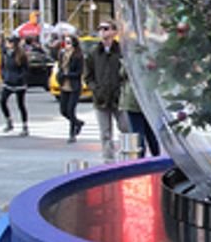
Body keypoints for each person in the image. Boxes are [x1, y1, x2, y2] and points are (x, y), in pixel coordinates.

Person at [85, 21, 128, 162]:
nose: (102, 31)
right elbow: (88, 75)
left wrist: (122, 88)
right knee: (105, 133)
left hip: (119, 98)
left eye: (106, 28)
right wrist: (95, 89)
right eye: (100, 29)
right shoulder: (94, 53)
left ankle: (127, 156)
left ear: (114, 32)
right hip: (101, 98)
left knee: (125, 128)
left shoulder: (121, 51)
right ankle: (108, 159)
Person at [119, 73, 160, 158]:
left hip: (134, 99)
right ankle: (156, 156)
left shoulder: (130, 61)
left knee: (138, 133)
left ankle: (140, 159)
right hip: (149, 100)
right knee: (151, 133)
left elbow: (122, 74)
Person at [0, 35, 30, 136]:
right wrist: (3, 75)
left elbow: (26, 70)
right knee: (2, 101)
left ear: (13, 44)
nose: (7, 44)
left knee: (20, 104)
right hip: (8, 81)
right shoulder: (5, 54)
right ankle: (9, 121)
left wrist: (20, 78)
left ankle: (25, 126)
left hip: (19, 83)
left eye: (9, 42)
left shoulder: (21, 55)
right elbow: (2, 66)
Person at [57, 35, 84, 143]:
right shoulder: (62, 54)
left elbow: (79, 72)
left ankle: (72, 133)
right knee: (63, 110)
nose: (66, 45)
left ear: (73, 44)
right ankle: (78, 123)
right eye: (65, 42)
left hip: (74, 86)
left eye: (68, 43)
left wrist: (67, 74)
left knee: (71, 110)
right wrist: (60, 76)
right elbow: (60, 67)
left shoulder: (78, 56)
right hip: (64, 85)